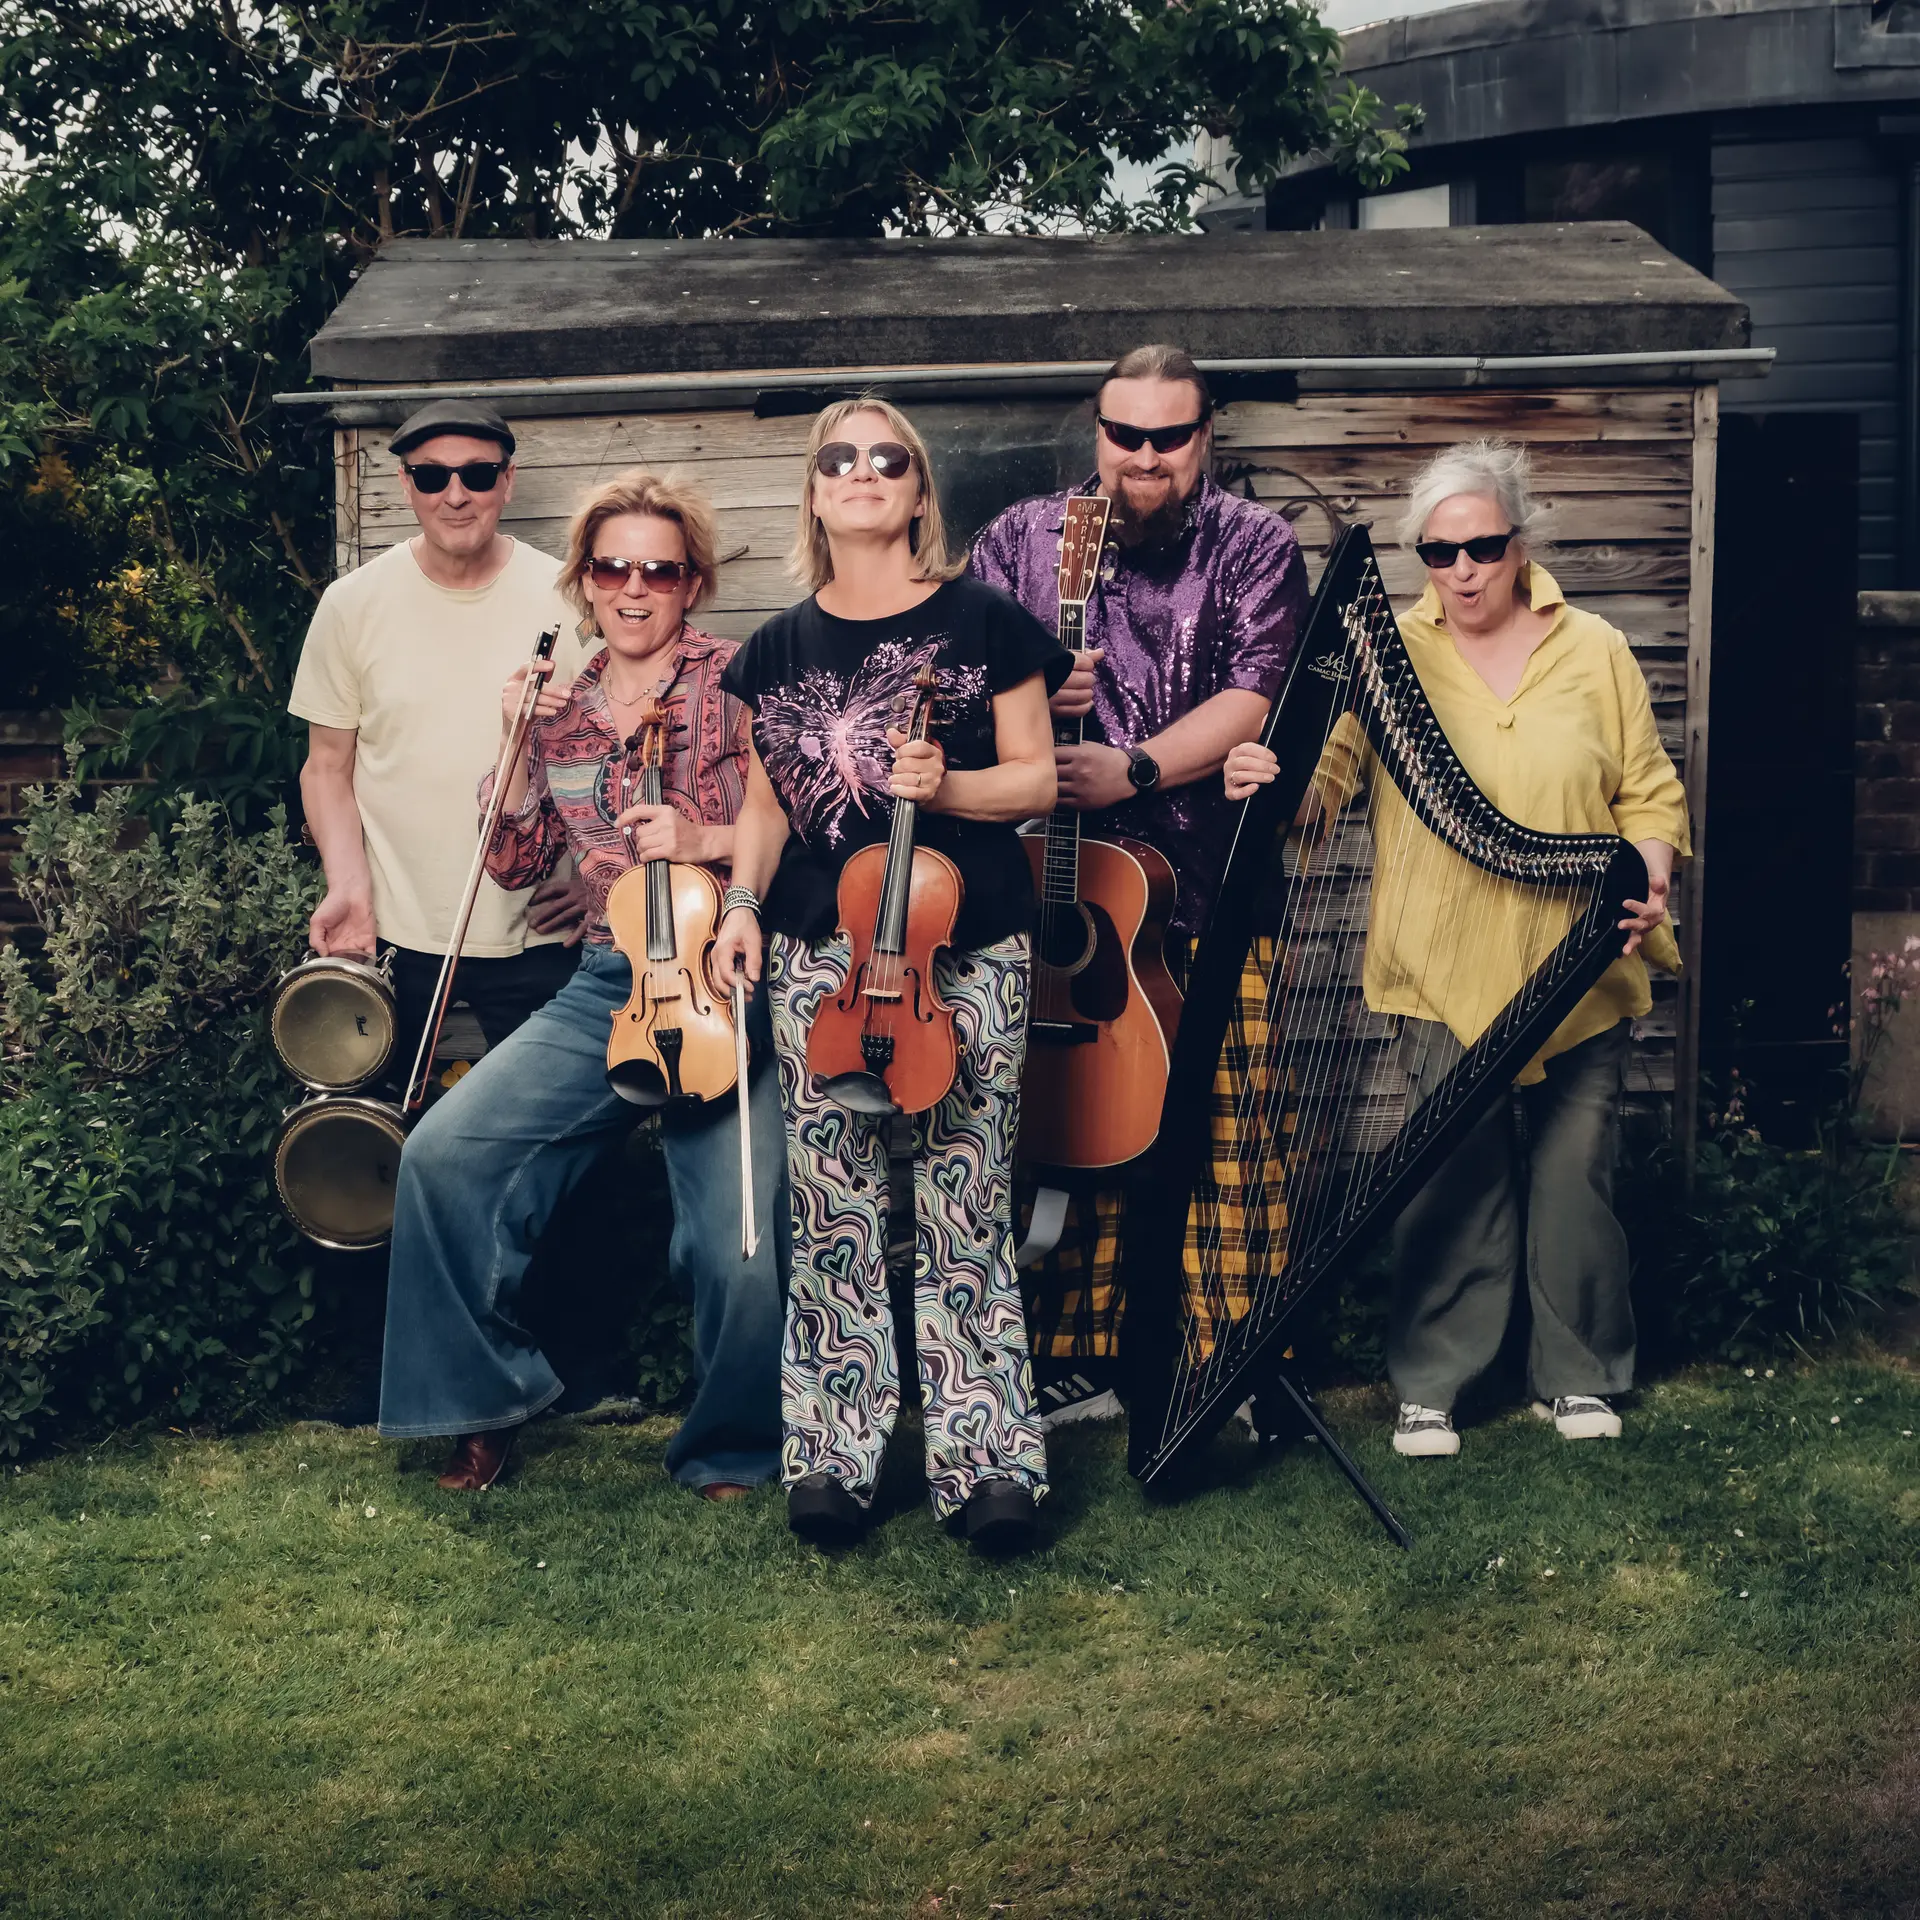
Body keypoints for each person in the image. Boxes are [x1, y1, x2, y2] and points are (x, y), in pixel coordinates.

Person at [1224, 438, 1689, 1457]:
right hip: (1437, 972)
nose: (1463, 570)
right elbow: (1325, 790)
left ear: (1521, 546)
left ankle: (1579, 1376)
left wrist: (1649, 868)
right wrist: (1269, 779)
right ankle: (1435, 1382)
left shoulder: (1597, 649)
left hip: (1586, 965)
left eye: (1482, 546)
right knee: (1456, 1179)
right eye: (1439, 553)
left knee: (1576, 1180)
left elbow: (1648, 788)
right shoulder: (1391, 655)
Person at [376, 469, 789, 1495]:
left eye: (659, 568)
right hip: (611, 983)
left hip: (730, 976)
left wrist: (701, 839)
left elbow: (815, 824)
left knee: (739, 1234)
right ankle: (484, 1402)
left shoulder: (744, 680)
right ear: (586, 582)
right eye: (613, 567)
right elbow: (515, 866)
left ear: (691, 582)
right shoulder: (556, 708)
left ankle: (731, 1442)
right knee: (442, 1157)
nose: (634, 588)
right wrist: (515, 749)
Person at [711, 398, 1068, 1554]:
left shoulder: (987, 621)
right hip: (821, 954)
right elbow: (764, 804)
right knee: (832, 1207)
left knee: (966, 1198)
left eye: (888, 458)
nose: (861, 472)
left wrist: (950, 788)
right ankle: (834, 1456)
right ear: (814, 493)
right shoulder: (774, 647)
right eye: (836, 458)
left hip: (965, 950)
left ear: (919, 493)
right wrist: (741, 904)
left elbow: (1036, 782)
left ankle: (989, 1464)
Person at [969, 343, 1308, 1424]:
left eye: (1170, 436)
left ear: (1206, 436)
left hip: (1210, 886)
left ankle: (1230, 1369)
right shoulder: (1020, 541)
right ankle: (1086, 1360)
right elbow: (954, 688)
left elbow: (1259, 691)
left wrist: (1139, 764)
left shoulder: (1256, 544)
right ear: (1098, 432)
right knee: (1078, 1129)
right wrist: (1023, 697)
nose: (1146, 457)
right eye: (1126, 436)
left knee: (1228, 1134)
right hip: (1063, 901)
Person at [288, 400, 592, 1424]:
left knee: (544, 1160)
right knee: (373, 1147)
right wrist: (348, 885)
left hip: (539, 934)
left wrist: (595, 879)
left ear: (509, 478)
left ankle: (562, 1367)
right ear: (403, 485)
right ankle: (370, 1366)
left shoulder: (569, 594)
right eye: (431, 475)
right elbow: (327, 769)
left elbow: (614, 757)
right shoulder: (353, 604)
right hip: (400, 930)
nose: (455, 491)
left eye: (476, 471)